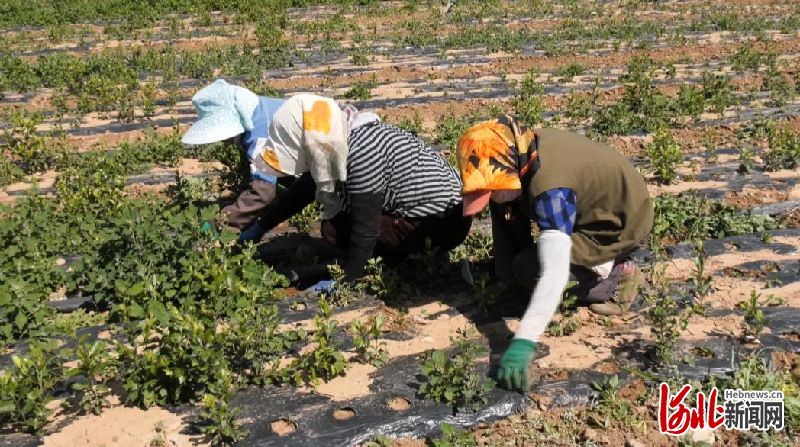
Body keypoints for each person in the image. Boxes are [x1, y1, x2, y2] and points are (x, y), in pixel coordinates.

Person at [455, 115, 653, 392]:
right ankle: (514, 281)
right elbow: (506, 218)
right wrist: (506, 283)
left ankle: (615, 275)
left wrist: (524, 341)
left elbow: (555, 271)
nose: (488, 199)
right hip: (591, 204)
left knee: (529, 268)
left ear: (509, 170)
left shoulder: (552, 191)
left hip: (617, 225)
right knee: (505, 213)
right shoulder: (521, 149)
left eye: (491, 190)